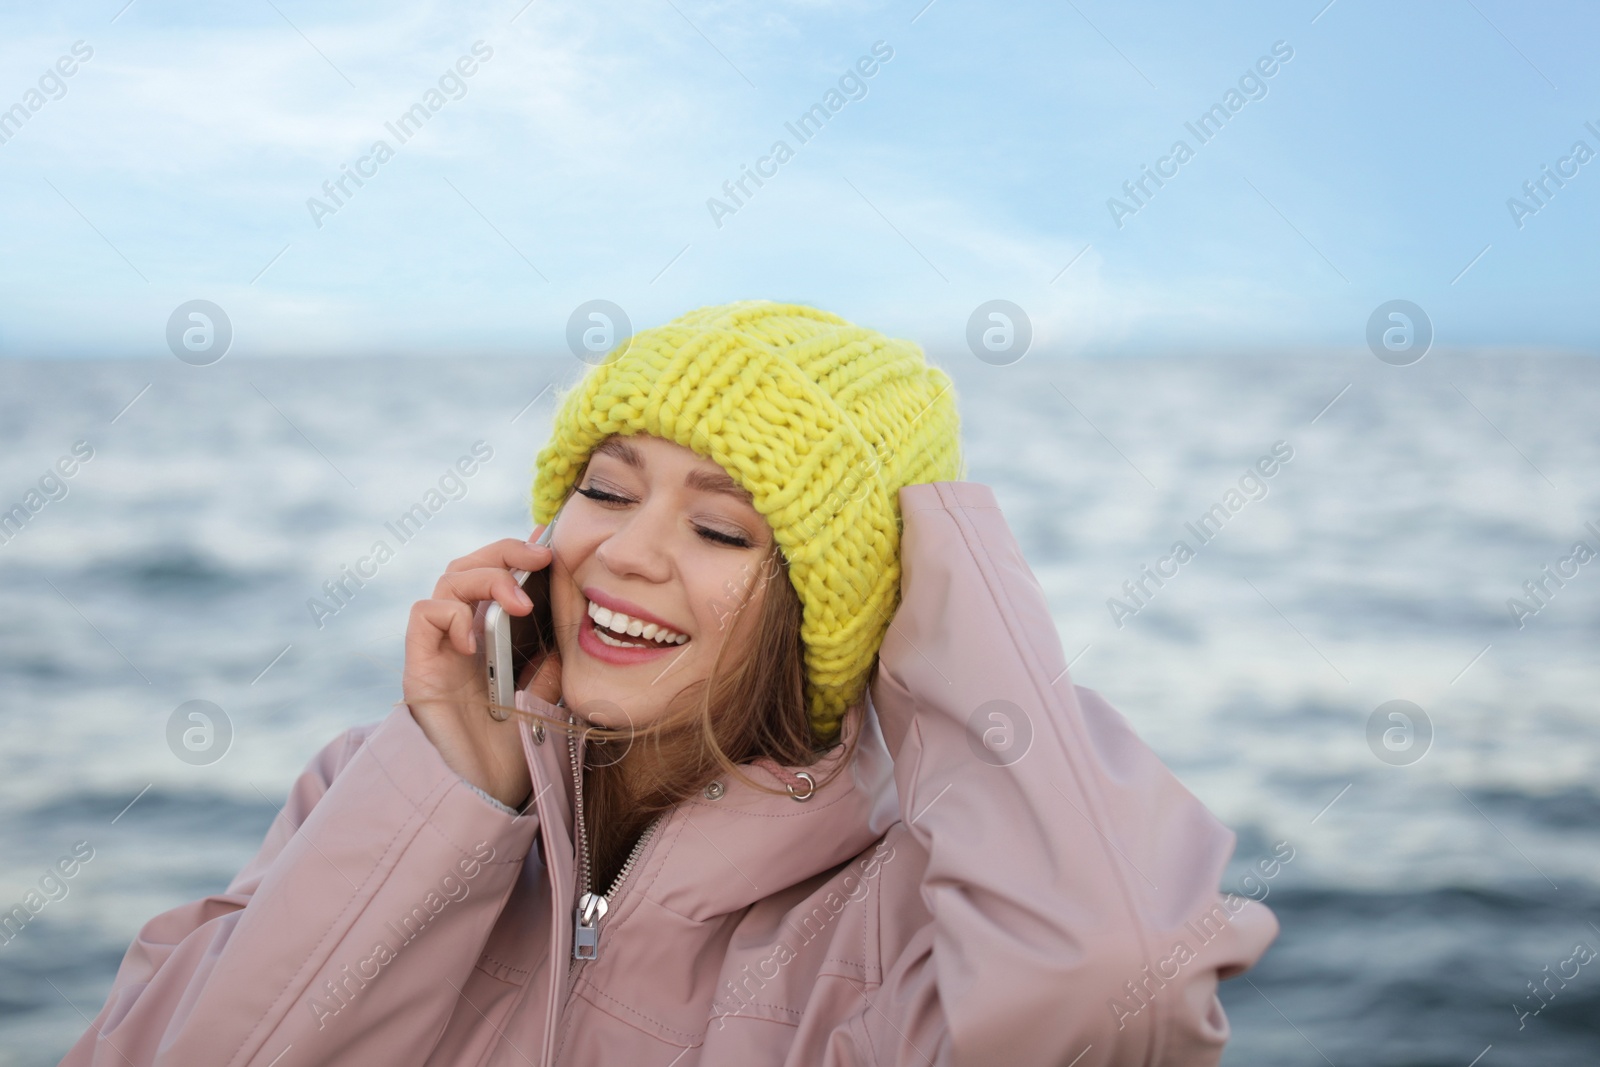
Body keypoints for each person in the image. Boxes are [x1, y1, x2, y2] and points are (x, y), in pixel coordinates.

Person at [60, 301, 1278, 1066]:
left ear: (843, 605)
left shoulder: (893, 930)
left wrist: (947, 597)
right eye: (604, 487)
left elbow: (1111, 995)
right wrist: (448, 807)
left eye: (725, 531)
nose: (625, 552)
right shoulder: (371, 787)